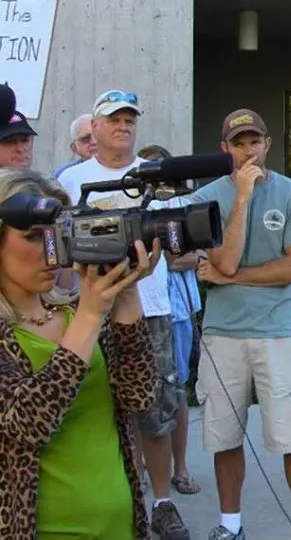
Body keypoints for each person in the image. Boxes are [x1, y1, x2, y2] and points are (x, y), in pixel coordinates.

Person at [57, 90, 191, 540]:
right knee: (97, 407)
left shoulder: (157, 180)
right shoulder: (72, 181)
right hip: (88, 312)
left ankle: (162, 503)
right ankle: (119, 496)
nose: (123, 126)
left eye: (130, 119)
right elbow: (56, 250)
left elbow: (178, 249)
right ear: (94, 129)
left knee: (154, 412)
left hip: (150, 311)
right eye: (113, 119)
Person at [0, 168, 159, 540]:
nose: (51, 250)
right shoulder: (81, 316)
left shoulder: (74, 312)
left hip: (119, 525)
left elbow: (139, 396)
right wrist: (89, 314)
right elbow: (27, 423)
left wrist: (126, 293)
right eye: (33, 236)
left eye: (58, 234)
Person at [190, 109, 291, 540]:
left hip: (278, 333)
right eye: (239, 142)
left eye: (255, 141)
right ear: (225, 147)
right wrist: (242, 198)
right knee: (225, 438)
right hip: (222, 333)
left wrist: (231, 276)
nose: (249, 150)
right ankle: (231, 526)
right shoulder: (205, 198)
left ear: (267, 143)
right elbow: (223, 258)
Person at [138, 144, 204, 497]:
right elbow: (173, 258)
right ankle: (140, 468)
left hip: (180, 311)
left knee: (176, 390)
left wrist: (181, 255)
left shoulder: (180, 203)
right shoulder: (139, 206)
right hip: (148, 310)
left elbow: (198, 252)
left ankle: (180, 467)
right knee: (140, 392)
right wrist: (179, 255)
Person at [53, 113, 97, 179]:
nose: (94, 142)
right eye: (86, 138)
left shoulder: (118, 170)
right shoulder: (63, 175)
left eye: (98, 136)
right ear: (74, 148)